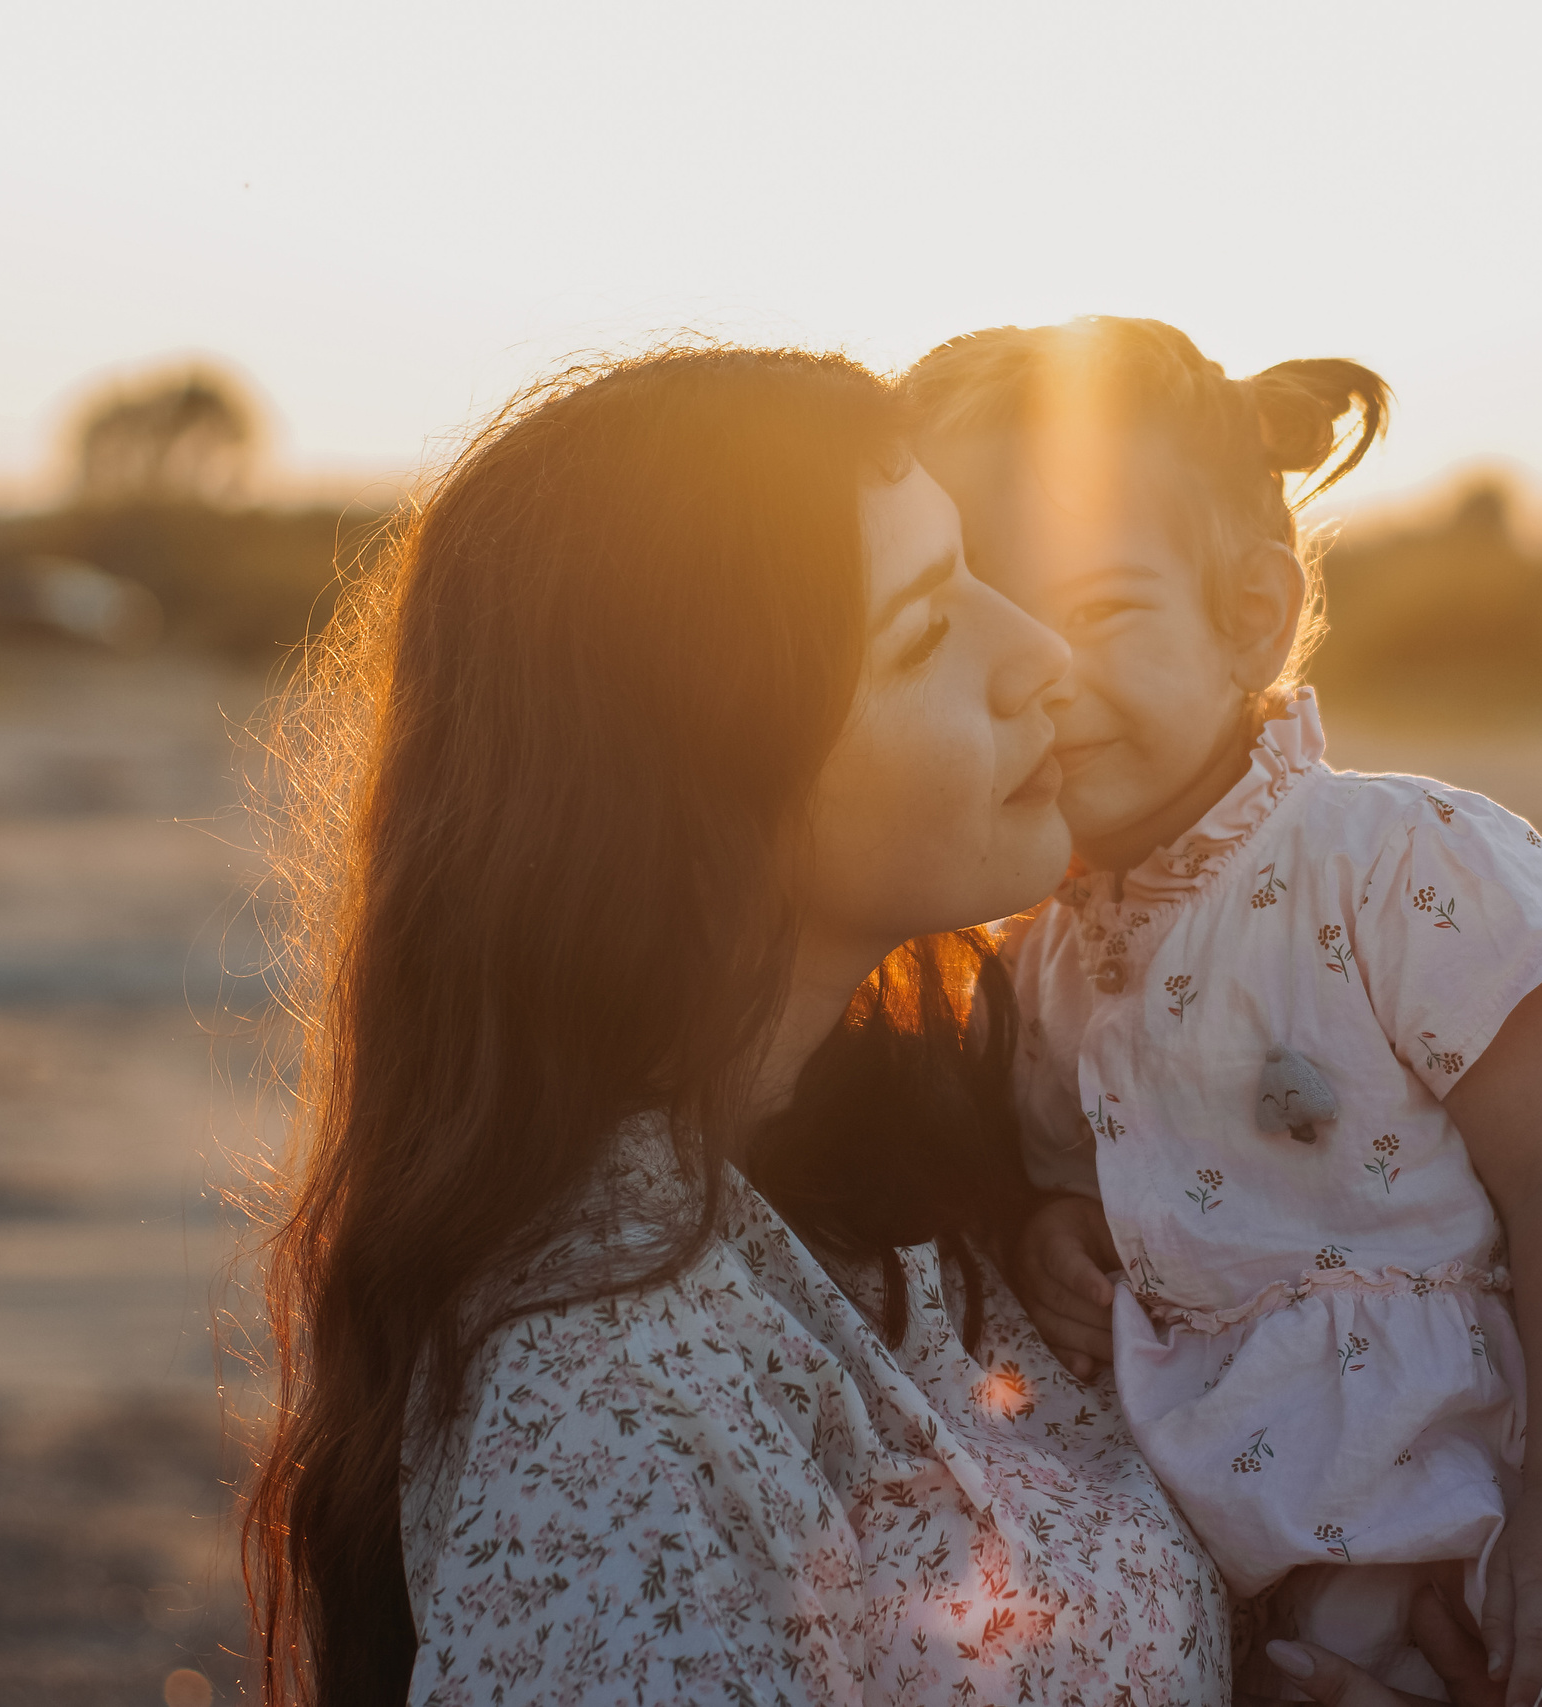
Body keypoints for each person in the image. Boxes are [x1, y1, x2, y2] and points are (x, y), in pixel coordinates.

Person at [243, 347, 1281, 1706]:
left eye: (981, 569)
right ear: (702, 799)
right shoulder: (605, 1417)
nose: (1037, 653)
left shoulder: (939, 1140)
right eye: (923, 631)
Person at [905, 318, 1542, 1706]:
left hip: (1481, 1545)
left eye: (1101, 614)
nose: (1047, 676)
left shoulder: (1397, 861)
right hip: (1226, 1584)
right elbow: (1080, 1192)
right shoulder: (1043, 963)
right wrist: (1049, 1233)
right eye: (1000, 625)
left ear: (1250, 615)